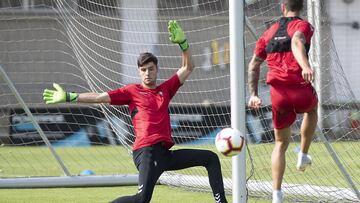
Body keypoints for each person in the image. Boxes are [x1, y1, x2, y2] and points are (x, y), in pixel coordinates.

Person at [43, 20, 228, 203]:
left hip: (165, 155)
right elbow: (100, 97)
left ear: (157, 70)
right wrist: (69, 97)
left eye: (151, 69)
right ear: (139, 72)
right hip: (146, 151)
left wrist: (183, 44)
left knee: (210, 158)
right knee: (141, 200)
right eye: (143, 70)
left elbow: (188, 67)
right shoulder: (131, 91)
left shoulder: (166, 89)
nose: (147, 73)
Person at [247, 0, 318, 202]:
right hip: (299, 88)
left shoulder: (268, 33)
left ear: (282, 6)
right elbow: (296, 41)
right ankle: (303, 154)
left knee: (280, 143)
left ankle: (276, 194)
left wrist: (253, 94)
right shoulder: (303, 26)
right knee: (312, 109)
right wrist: (304, 66)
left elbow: (254, 65)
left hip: (278, 95)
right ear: (302, 7)